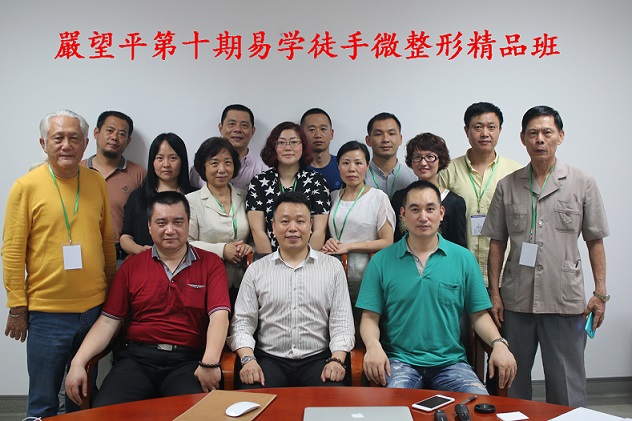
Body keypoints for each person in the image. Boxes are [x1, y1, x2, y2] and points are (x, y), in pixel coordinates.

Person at [482, 106, 609, 407]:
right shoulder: (507, 185)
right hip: (516, 301)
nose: (540, 139)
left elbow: (595, 240)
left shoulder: (582, 182)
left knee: (567, 383)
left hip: (564, 298)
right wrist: (495, 293)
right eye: (533, 133)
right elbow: (497, 242)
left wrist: (600, 293)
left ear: (560, 136)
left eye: (547, 132)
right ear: (522, 138)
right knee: (510, 380)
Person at [65, 191, 230, 407]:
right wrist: (78, 362)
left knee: (199, 413)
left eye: (178, 222)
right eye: (161, 223)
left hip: (187, 361)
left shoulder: (210, 263)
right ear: (149, 227)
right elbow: (108, 321)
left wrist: (209, 362)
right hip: (137, 360)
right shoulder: (131, 266)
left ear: (188, 225)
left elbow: (219, 316)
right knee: (105, 411)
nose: (170, 230)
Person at [2, 110, 116, 418]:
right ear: (44, 143)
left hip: (93, 310)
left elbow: (106, 241)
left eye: (74, 138)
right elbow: (12, 251)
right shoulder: (26, 186)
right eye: (58, 138)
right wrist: (17, 306)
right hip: (47, 312)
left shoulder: (96, 182)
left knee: (82, 396)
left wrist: (110, 294)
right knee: (43, 399)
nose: (66, 145)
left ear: (85, 143)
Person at [356, 180, 516, 393]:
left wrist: (498, 343)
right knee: (392, 407)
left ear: (441, 213)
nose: (423, 217)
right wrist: (373, 346)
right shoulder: (381, 261)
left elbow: (479, 315)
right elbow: (369, 317)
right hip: (400, 362)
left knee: (479, 403)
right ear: (403, 214)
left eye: (430, 209)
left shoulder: (464, 259)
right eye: (415, 209)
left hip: (451, 364)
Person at [228, 192, 355, 388]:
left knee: (333, 398)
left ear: (311, 225)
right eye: (285, 221)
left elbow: (342, 324)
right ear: (273, 226)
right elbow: (243, 323)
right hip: (269, 360)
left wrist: (337, 360)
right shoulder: (256, 270)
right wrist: (248, 360)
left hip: (318, 359)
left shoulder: (332, 268)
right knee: (251, 399)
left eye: (300, 221)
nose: (293, 228)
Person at [439, 102, 521, 285]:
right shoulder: (448, 171)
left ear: (500, 130)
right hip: (459, 272)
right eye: (478, 127)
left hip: (504, 275)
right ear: (466, 130)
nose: (485, 133)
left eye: (491, 127)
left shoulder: (515, 172)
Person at [321, 141, 395, 304]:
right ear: (338, 166)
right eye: (345, 163)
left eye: (358, 163)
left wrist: (349, 247)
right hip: (335, 273)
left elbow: (387, 242)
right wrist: (330, 241)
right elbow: (326, 232)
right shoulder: (333, 196)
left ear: (367, 166)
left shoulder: (378, 198)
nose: (351, 169)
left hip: (368, 275)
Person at [187, 137, 253, 308]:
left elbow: (256, 234)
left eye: (228, 162)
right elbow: (186, 244)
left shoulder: (246, 196)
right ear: (203, 167)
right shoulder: (191, 201)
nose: (222, 169)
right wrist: (222, 250)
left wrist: (249, 248)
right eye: (214, 163)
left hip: (243, 282)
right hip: (206, 282)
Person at [246, 121, 330, 254]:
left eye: (294, 142)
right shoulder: (259, 182)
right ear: (273, 147)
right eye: (281, 143)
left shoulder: (317, 181)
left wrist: (307, 262)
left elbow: (319, 231)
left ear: (303, 146)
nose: (288, 148)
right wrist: (271, 263)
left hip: (308, 259)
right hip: (270, 258)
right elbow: (258, 231)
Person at [80, 111, 146, 262]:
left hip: (122, 258)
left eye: (122, 134)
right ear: (96, 133)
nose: (114, 137)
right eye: (109, 130)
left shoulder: (139, 174)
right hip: (84, 255)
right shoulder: (77, 170)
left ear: (128, 141)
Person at [120, 133, 193, 256]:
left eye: (173, 158)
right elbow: (125, 236)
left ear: (182, 161)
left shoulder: (194, 196)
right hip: (145, 262)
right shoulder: (138, 197)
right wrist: (140, 250)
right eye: (160, 158)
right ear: (152, 161)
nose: (166, 164)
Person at [391, 133, 467, 247]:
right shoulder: (399, 198)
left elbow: (458, 246)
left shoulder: (454, 202)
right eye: (417, 157)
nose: (423, 163)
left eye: (430, 157)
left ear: (440, 160)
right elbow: (395, 240)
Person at [190, 104, 268, 190]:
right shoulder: (199, 169)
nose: (237, 129)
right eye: (232, 124)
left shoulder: (263, 170)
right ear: (221, 128)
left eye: (244, 125)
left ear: (252, 131)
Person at [364, 112, 417, 199]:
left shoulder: (413, 177)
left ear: (400, 139)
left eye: (391, 133)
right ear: (368, 140)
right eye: (378, 134)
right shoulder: (358, 177)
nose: (385, 139)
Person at [301, 108, 342, 191]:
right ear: (302, 134)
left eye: (323, 129)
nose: (318, 135)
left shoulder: (342, 166)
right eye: (312, 130)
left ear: (332, 134)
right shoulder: (296, 168)